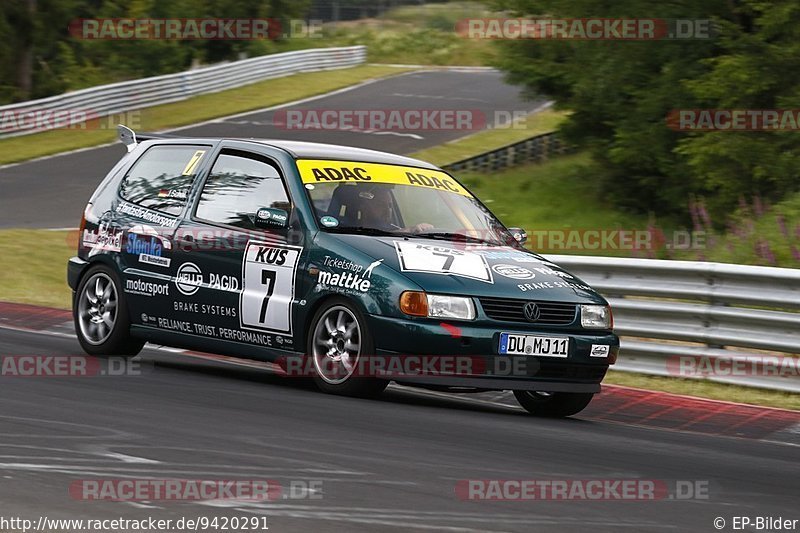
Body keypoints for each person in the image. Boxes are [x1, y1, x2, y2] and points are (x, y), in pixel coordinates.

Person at [355, 186, 433, 234]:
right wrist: (410, 230)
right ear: (364, 207)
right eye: (380, 205)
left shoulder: (395, 229)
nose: (387, 210)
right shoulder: (346, 233)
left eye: (389, 206)